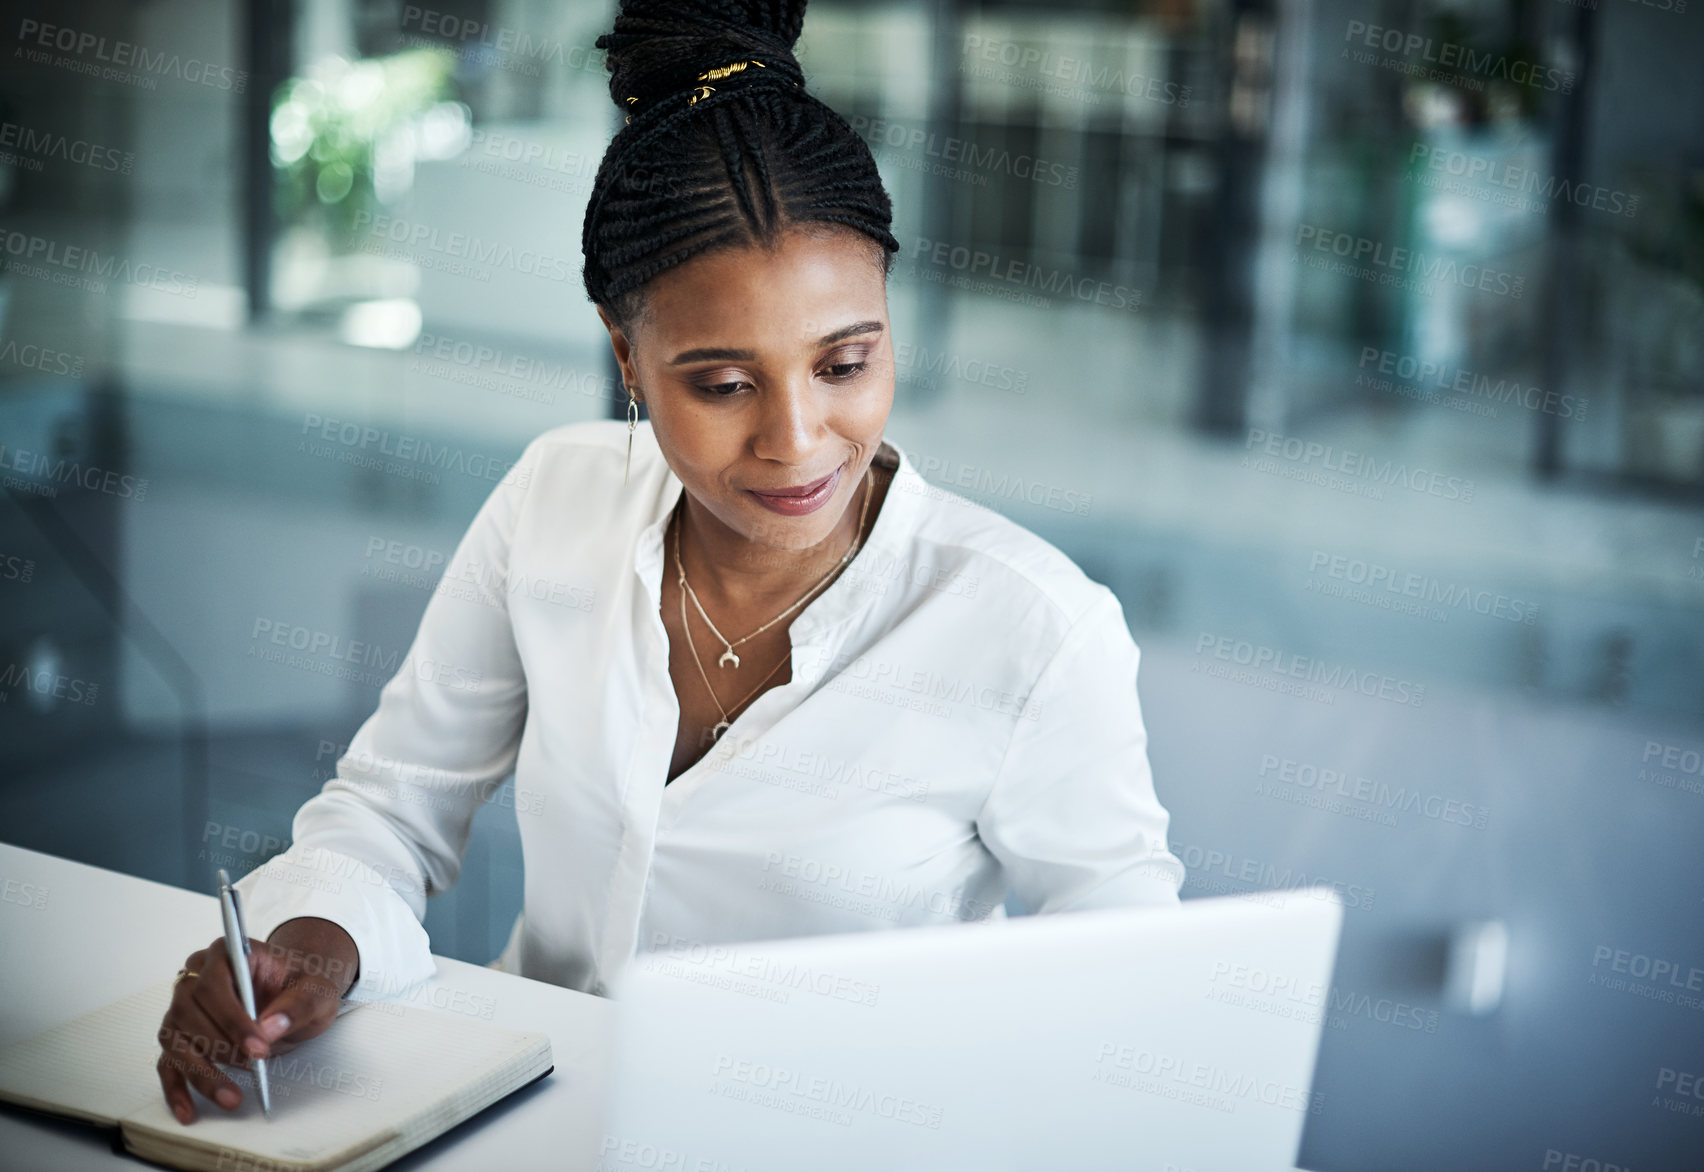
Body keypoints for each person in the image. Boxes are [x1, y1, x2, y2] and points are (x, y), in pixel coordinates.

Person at [154, 0, 1185, 1124]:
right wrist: (313, 944)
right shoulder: (557, 501)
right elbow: (391, 813)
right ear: (625, 354)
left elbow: (1136, 1012)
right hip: (530, 1123)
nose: (796, 439)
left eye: (845, 362)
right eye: (724, 384)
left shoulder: (1031, 628)